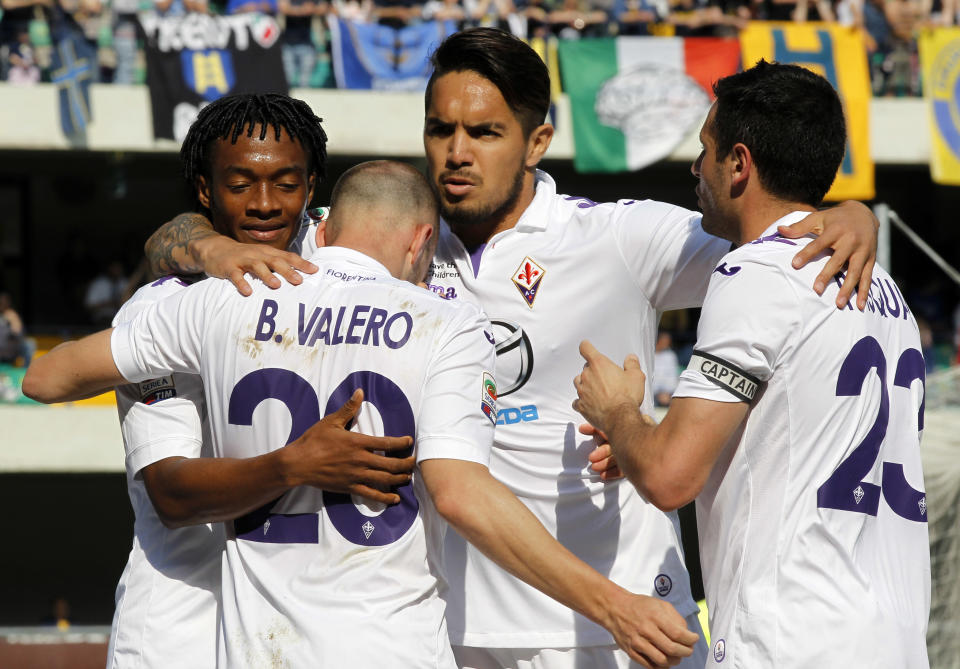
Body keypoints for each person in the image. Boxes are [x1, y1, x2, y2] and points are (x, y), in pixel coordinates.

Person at [140, 28, 880, 669]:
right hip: (455, 628)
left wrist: (850, 212)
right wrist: (203, 244)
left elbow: (770, 228)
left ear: (537, 141)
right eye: (441, 130)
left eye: (484, 133)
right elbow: (171, 240)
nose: (456, 154)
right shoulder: (379, 238)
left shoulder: (619, 238)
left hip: (610, 625)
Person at [25, 159, 701, 668]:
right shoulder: (448, 322)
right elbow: (462, 494)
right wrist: (612, 602)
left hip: (259, 648)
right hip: (393, 645)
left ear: (325, 227)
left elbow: (47, 376)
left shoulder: (220, 299)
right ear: (422, 242)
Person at [573, 61, 930, 668]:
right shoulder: (883, 286)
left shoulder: (756, 273)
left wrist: (619, 413)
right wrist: (642, 442)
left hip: (791, 641)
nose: (695, 168)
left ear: (738, 163)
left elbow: (668, 478)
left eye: (705, 150)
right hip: (892, 643)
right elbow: (795, 434)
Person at [104, 94, 418, 669]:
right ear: (205, 191)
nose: (265, 204)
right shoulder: (164, 308)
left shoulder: (339, 263)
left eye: (286, 183)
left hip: (304, 632)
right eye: (240, 184)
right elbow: (172, 496)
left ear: (313, 186)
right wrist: (295, 464)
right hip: (183, 629)